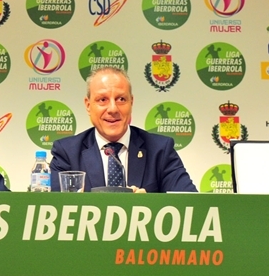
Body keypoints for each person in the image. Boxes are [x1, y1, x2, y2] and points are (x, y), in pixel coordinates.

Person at [50, 67, 196, 192]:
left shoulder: (160, 150)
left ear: (131, 103)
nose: (113, 109)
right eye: (102, 100)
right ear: (88, 105)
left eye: (121, 99)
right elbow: (51, 207)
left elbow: (189, 204)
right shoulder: (67, 153)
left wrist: (150, 205)